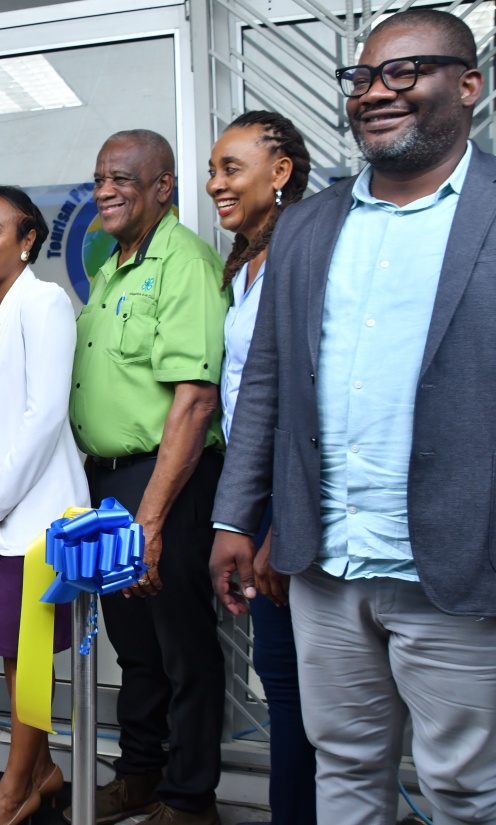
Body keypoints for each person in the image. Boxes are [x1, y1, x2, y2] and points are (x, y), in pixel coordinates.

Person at [210, 10, 496, 824]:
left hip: (459, 567)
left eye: (404, 74)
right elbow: (264, 383)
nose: (377, 92)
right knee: (343, 770)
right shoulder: (306, 226)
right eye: (364, 78)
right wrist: (235, 517)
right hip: (324, 563)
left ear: (468, 86)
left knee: (466, 792)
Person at [69, 130, 230, 825]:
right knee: (133, 642)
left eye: (123, 179)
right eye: (100, 177)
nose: (106, 190)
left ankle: (190, 798)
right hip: (109, 485)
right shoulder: (112, 266)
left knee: (183, 646)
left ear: (163, 186)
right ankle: (139, 775)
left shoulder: (184, 263)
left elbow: (193, 401)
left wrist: (153, 519)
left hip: (165, 482)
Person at [0, 185, 88, 825]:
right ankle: (45, 769)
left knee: (27, 652)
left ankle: (14, 788)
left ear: (27, 241)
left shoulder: (44, 301)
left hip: (31, 514)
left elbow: (44, 416)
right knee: (10, 647)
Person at [205, 112, 316, 825]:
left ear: (280, 173)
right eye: (213, 170)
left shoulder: (303, 255)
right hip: (261, 497)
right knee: (281, 681)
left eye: (231, 169)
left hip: (295, 499)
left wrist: (281, 524)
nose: (216, 183)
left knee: (309, 691)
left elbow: (303, 398)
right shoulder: (246, 262)